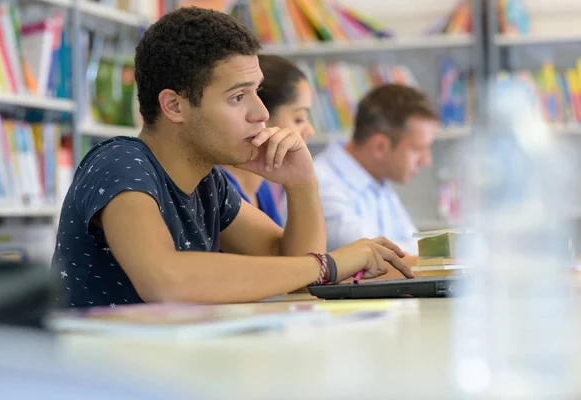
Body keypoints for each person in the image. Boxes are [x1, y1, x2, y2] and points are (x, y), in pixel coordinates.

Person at [50, 7, 412, 308]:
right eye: (238, 97)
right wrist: (328, 264)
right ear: (174, 105)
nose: (261, 114)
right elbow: (165, 280)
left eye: (256, 92)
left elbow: (292, 269)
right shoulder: (120, 163)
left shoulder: (209, 183)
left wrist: (302, 184)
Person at [310, 84, 439, 263]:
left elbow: (416, 245)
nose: (427, 161)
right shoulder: (318, 184)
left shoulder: (378, 179)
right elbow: (379, 255)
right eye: (418, 149)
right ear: (380, 146)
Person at [221, 55, 314, 226]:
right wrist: (304, 183)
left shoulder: (263, 185)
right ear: (261, 117)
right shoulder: (220, 189)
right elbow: (299, 253)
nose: (310, 131)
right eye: (299, 118)